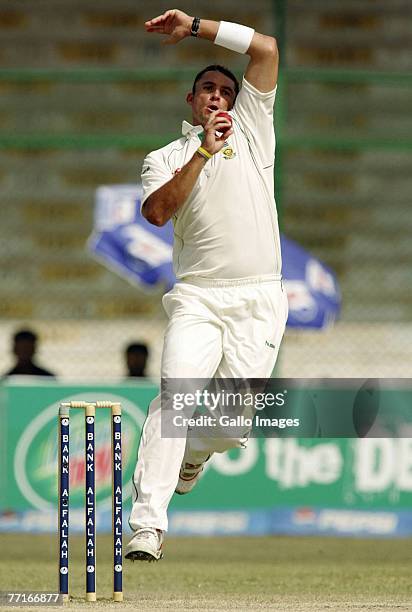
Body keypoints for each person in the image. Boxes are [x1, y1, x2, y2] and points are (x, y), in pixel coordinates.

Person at [125, 9, 288, 562]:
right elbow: (157, 212)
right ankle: (147, 524)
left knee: (228, 428)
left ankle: (194, 456)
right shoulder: (166, 158)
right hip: (197, 297)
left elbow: (264, 49)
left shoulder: (254, 130)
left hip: (260, 297)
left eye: (226, 90)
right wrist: (203, 152)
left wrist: (196, 26)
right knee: (175, 398)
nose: (218, 97)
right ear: (192, 102)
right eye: (208, 90)